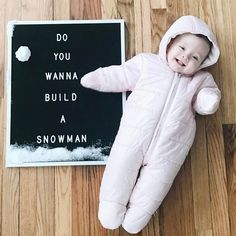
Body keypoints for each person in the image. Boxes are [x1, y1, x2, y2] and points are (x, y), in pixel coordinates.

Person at [80, 15, 221, 234]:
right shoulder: (148, 63)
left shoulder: (200, 80)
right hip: (133, 137)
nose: (185, 57)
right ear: (170, 42)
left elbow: (205, 100)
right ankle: (110, 207)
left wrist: (210, 100)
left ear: (202, 64)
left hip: (170, 149)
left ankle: (137, 217)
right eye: (182, 47)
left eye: (195, 57)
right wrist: (97, 78)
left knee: (156, 184)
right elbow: (121, 75)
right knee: (120, 167)